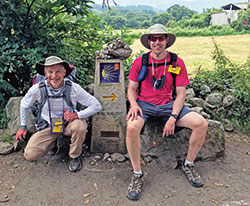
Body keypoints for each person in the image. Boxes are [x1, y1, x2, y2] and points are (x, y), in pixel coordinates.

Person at [126, 24, 208, 200]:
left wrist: (172, 117)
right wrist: (133, 104)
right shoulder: (140, 62)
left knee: (201, 124)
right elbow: (131, 88)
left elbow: (181, 94)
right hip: (144, 105)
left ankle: (189, 164)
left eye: (160, 38)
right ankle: (137, 174)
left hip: (169, 105)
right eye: (153, 38)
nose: (157, 42)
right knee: (132, 128)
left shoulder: (176, 62)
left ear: (166, 41)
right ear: (148, 42)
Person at [15, 56, 102, 172]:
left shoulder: (73, 88)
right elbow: (24, 104)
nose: (54, 76)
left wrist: (76, 115)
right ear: (45, 74)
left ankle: (74, 156)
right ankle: (52, 144)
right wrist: (22, 126)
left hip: (69, 124)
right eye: (50, 72)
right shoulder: (38, 89)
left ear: (64, 72)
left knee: (80, 126)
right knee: (30, 154)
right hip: (49, 125)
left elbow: (96, 105)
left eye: (58, 71)